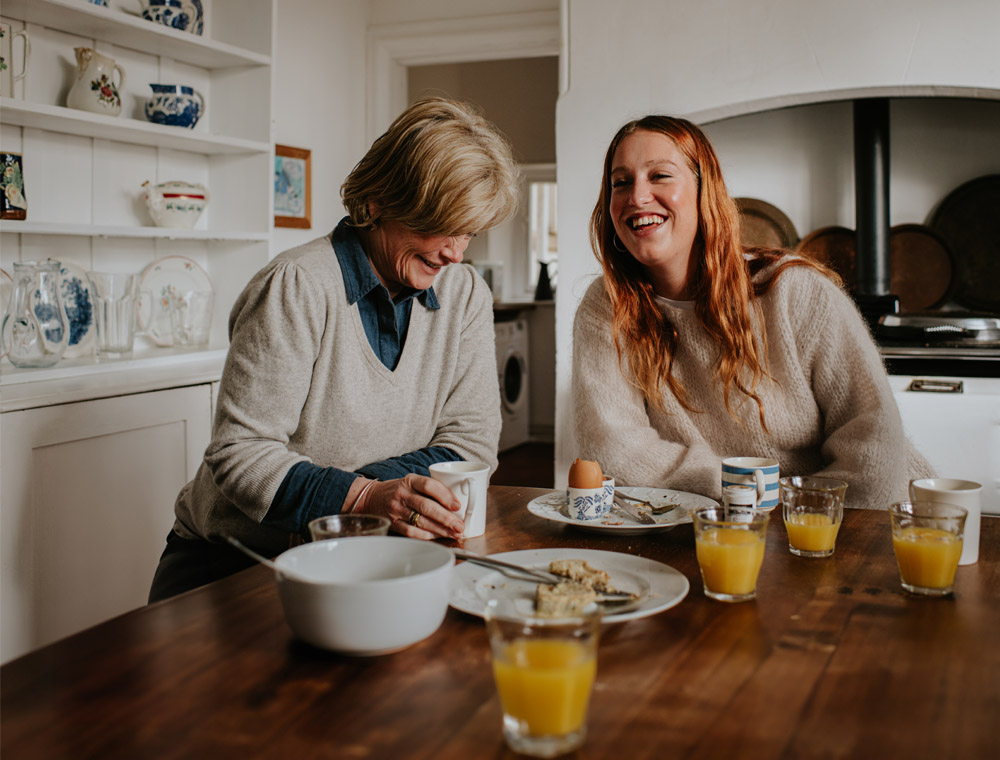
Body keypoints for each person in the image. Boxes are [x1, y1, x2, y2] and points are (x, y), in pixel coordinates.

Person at [149, 97, 519, 601]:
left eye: (469, 232)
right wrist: (365, 497)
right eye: (441, 225)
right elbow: (241, 455)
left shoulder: (465, 291)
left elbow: (472, 445)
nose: (455, 252)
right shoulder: (297, 285)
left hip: (366, 556)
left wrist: (364, 501)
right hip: (235, 565)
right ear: (382, 201)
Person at [573, 115, 933, 509]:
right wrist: (744, 496)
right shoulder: (606, 305)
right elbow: (615, 447)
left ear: (703, 190)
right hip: (722, 524)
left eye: (659, 175)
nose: (637, 197)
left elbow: (874, 448)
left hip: (871, 519)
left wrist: (781, 510)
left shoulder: (794, 291)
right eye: (620, 182)